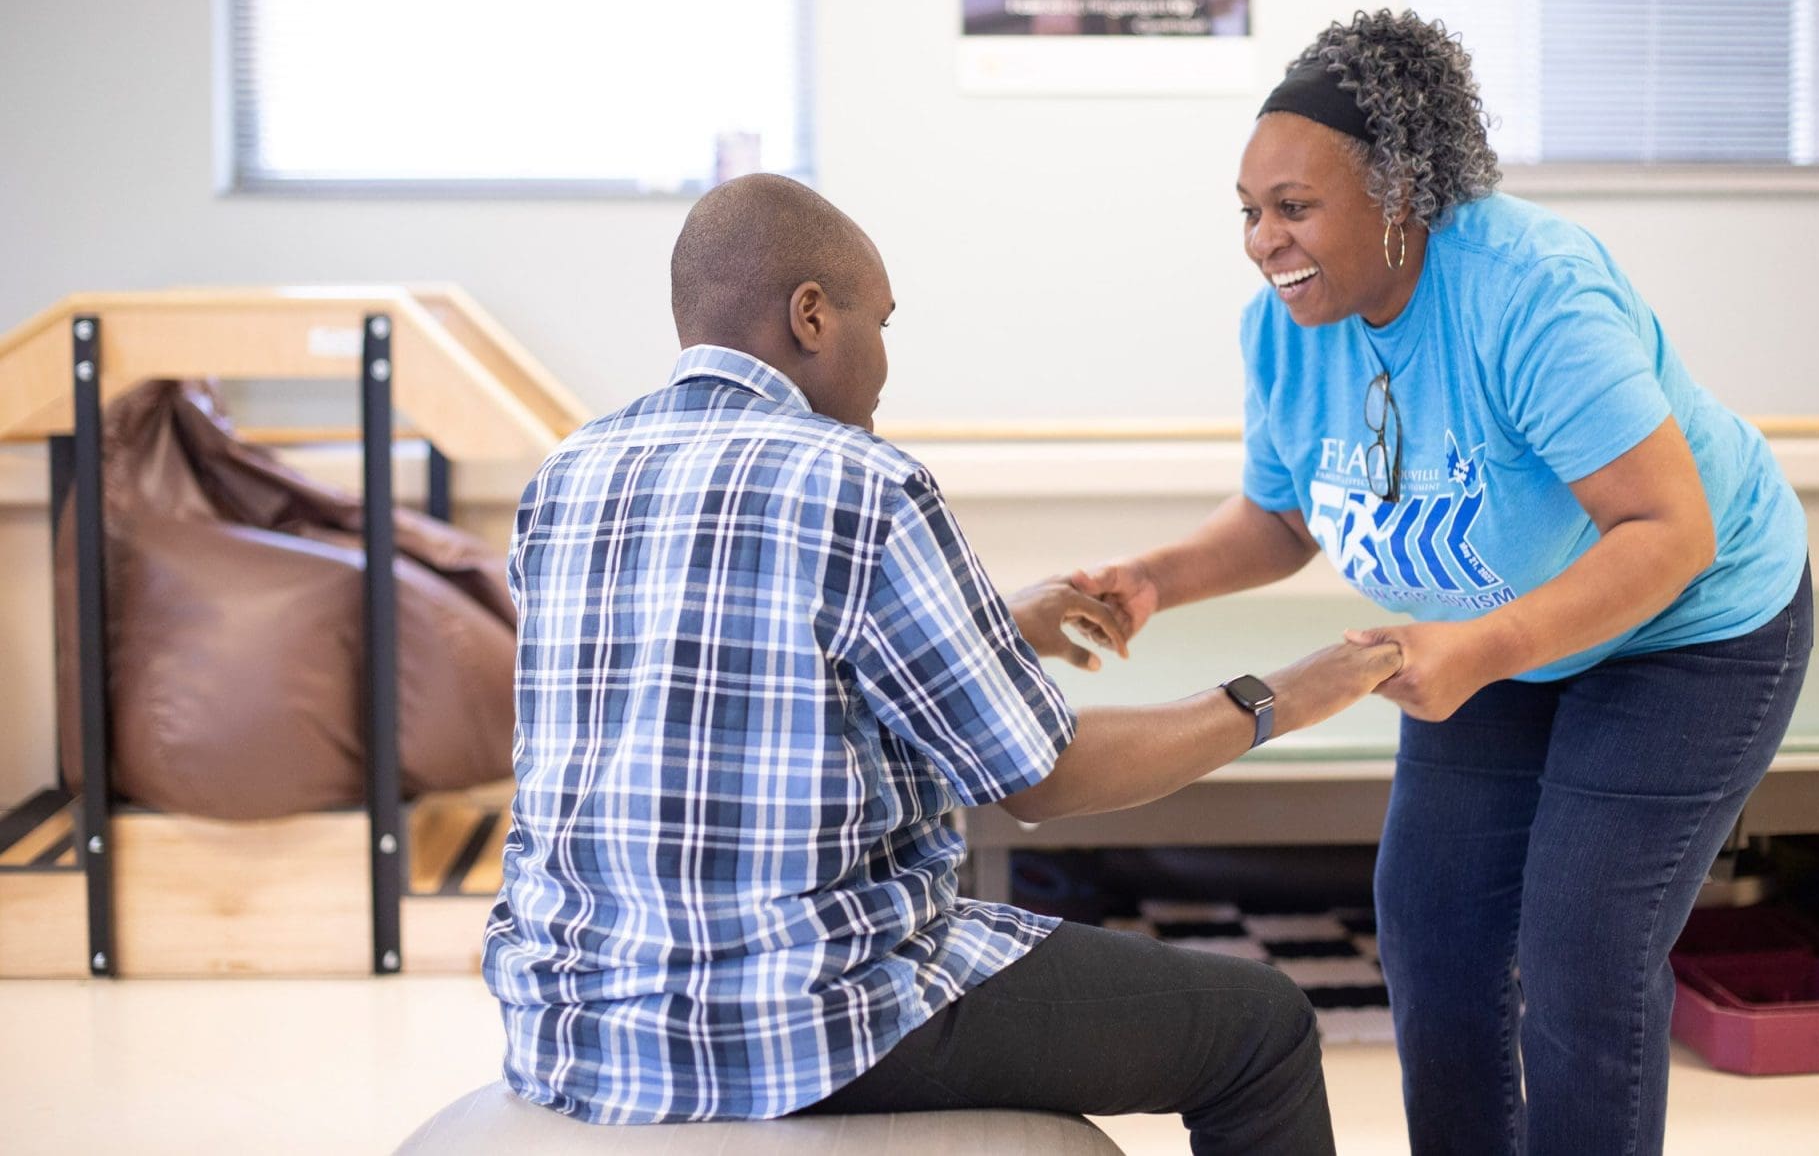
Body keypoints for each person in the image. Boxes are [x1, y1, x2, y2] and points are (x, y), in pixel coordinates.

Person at [480, 173, 1401, 1154]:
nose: (883, 366)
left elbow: (714, 665)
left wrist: (993, 622)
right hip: (791, 1020)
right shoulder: (860, 478)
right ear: (809, 315)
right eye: (878, 324)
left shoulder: (569, 473)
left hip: (572, 1023)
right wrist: (1276, 698)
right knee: (1258, 1026)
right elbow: (1043, 780)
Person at [1072, 10, 1812, 1156]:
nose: (1263, 239)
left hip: (1689, 626)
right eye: (1249, 210)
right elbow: (1282, 517)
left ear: (1400, 194)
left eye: (1294, 207)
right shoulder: (1286, 331)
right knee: (1431, 929)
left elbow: (1669, 530)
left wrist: (1473, 651)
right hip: (1499, 634)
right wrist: (1154, 578)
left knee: (1580, 946)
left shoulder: (1526, 293)